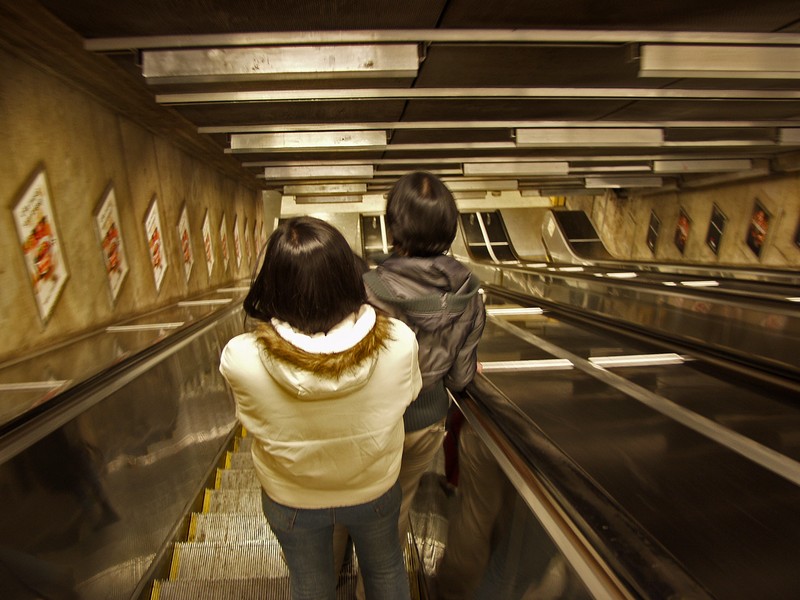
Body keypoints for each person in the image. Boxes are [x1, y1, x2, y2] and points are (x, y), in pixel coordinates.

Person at [219, 216, 422, 600]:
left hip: (292, 497)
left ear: (273, 285)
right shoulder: (399, 343)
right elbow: (408, 396)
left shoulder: (241, 357)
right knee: (385, 569)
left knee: (310, 584)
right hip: (374, 487)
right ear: (350, 274)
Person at [359, 171, 487, 585]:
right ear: (449, 227)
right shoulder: (469, 292)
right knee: (398, 508)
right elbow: (463, 377)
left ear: (394, 225)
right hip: (428, 421)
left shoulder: (369, 289)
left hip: (374, 424)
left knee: (362, 509)